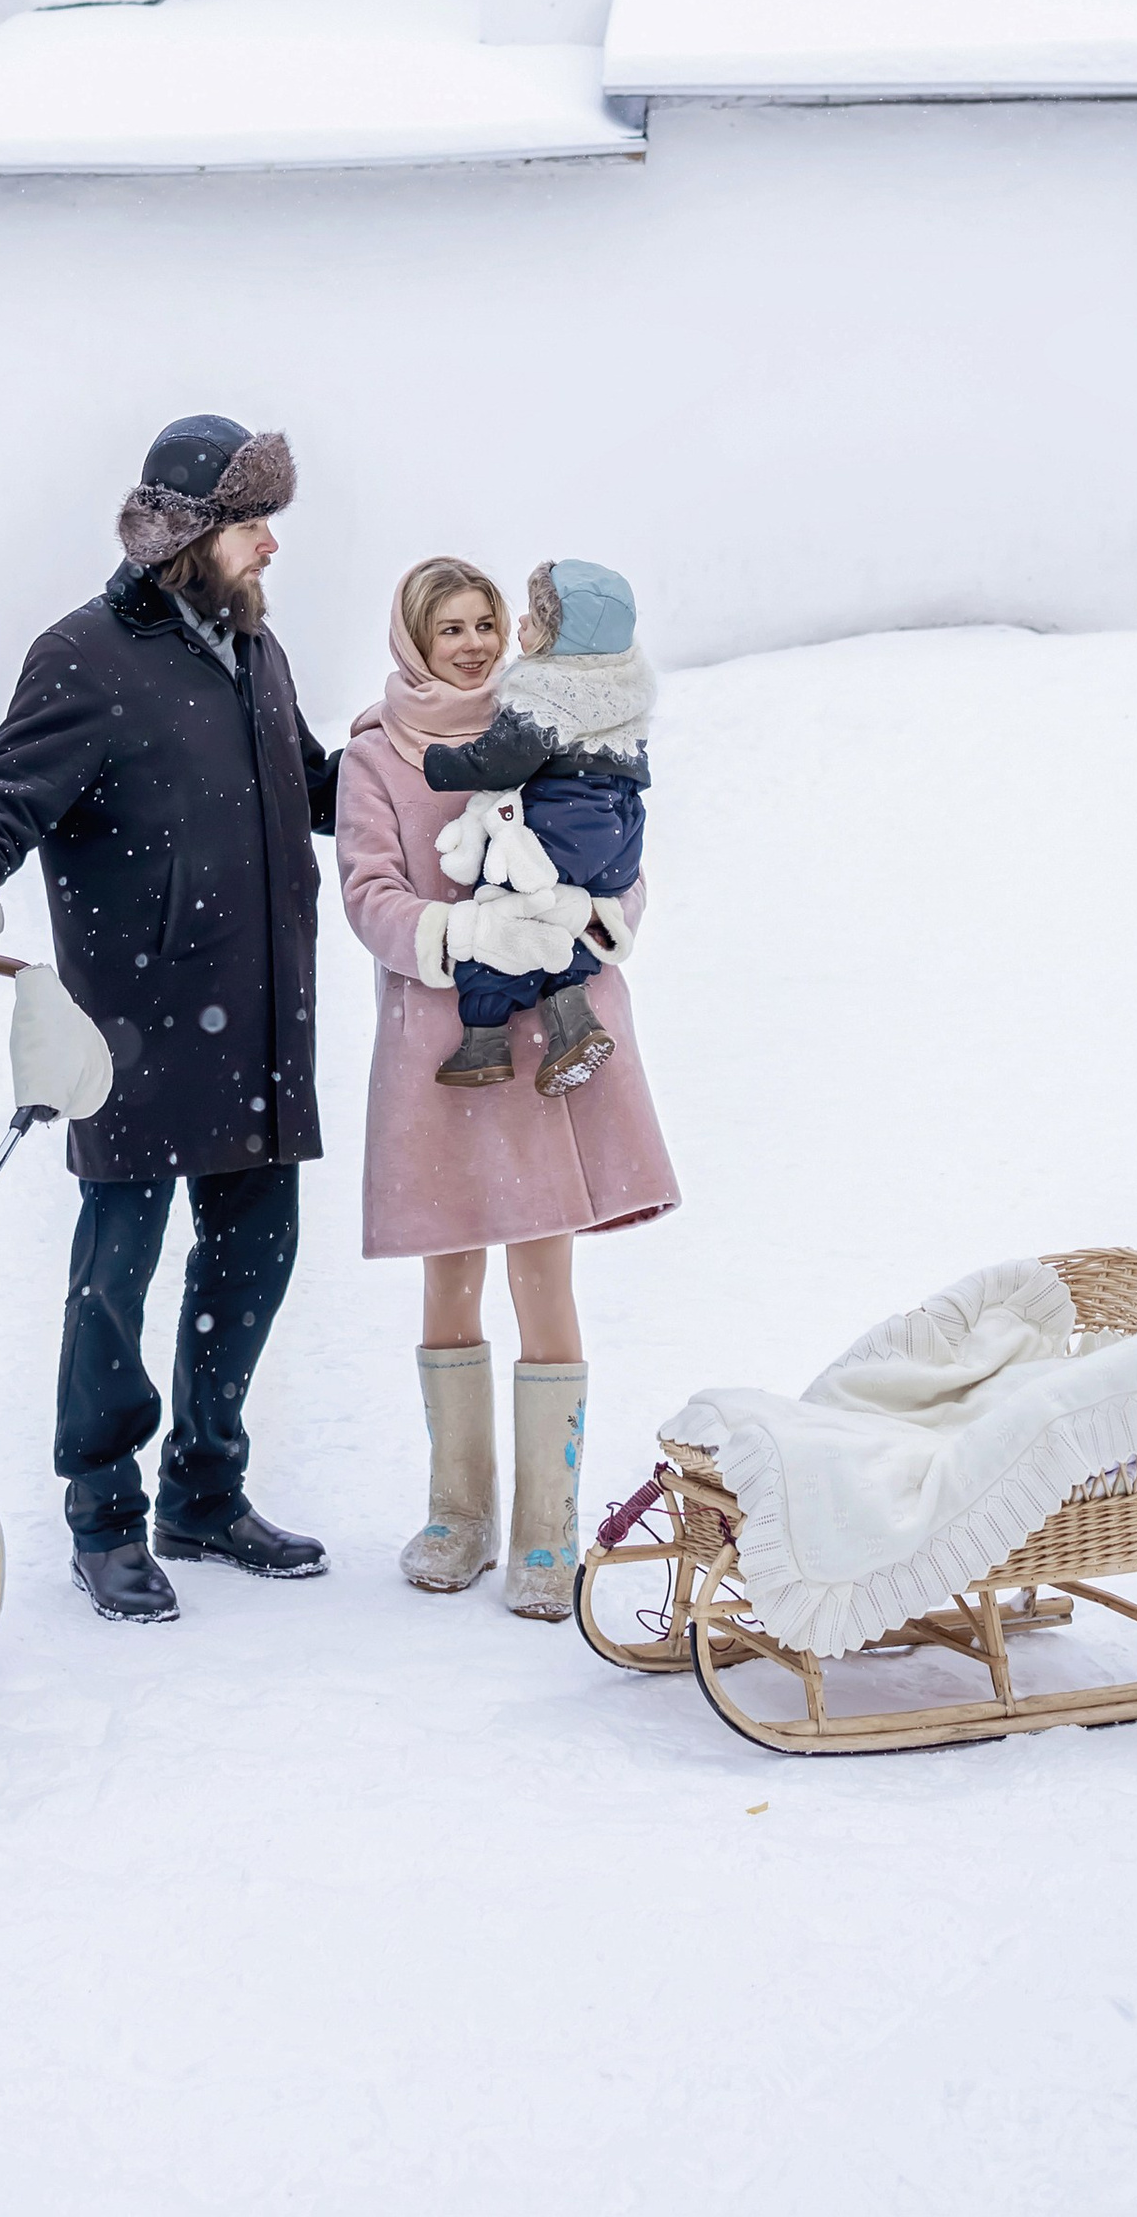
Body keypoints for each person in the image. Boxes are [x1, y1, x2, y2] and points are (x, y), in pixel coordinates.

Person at [0, 414, 337, 1627]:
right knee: (114, 1278)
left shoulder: (257, 648)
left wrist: (440, 769)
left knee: (254, 1260)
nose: (272, 545)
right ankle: (105, 1514)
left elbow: (314, 783)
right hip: (137, 1021)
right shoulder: (86, 652)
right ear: (188, 531)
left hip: (265, 1017)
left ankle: (206, 1491)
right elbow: (3, 794)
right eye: (253, 523)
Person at [335, 557, 678, 1617]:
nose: (474, 643)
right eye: (451, 627)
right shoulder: (375, 753)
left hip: (547, 1050)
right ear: (415, 638)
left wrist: (588, 920)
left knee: (543, 1271)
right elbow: (369, 892)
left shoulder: (553, 716)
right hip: (441, 1046)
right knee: (449, 1273)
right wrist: (463, 931)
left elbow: (620, 860)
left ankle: (546, 1527)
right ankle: (458, 1514)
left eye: (486, 621)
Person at [419, 558, 654, 1097]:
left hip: (566, 819)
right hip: (617, 830)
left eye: (534, 617)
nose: (519, 623)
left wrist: (436, 763)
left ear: (559, 637)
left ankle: (484, 1038)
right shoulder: (617, 685)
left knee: (504, 909)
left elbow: (500, 763)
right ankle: (572, 1016)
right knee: (561, 915)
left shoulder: (547, 692)